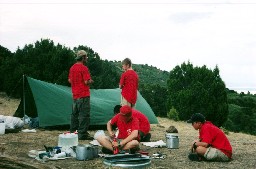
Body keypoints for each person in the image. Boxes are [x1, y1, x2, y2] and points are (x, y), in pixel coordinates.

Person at [68, 50, 94, 140]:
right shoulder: (84, 68)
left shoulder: (72, 68)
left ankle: (72, 132)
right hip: (83, 95)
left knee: (74, 115)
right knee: (84, 115)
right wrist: (91, 81)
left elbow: (70, 80)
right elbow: (86, 81)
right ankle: (82, 134)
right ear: (83, 58)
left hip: (75, 95)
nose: (86, 58)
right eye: (86, 57)